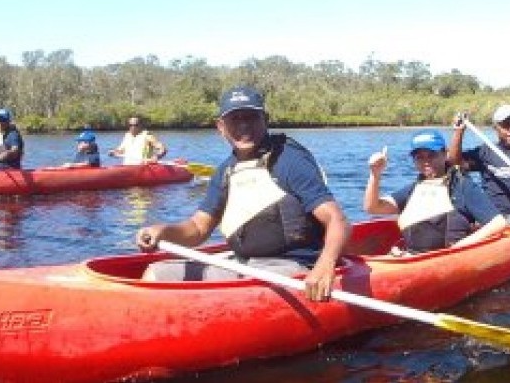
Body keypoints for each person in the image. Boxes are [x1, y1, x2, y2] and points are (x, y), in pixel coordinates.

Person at [136, 85, 350, 302]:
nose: (244, 126)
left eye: (251, 117)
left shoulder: (290, 160)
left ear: (265, 119)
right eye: (235, 119)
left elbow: (337, 220)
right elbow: (198, 228)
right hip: (244, 265)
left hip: (291, 269)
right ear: (220, 126)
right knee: (156, 274)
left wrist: (325, 265)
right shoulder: (226, 171)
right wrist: (162, 231)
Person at [364, 117, 506, 254]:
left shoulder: (462, 186)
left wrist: (458, 248)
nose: (426, 161)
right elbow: (373, 207)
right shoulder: (413, 189)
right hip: (413, 258)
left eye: (431, 155)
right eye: (419, 157)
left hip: (449, 258)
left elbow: (498, 223)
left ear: (444, 154)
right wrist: (375, 174)